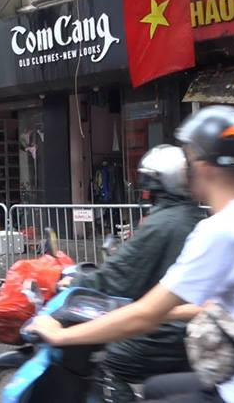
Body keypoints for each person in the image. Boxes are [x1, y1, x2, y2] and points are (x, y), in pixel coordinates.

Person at [26, 105, 234, 402]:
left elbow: (145, 316)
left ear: (202, 165)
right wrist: (161, 309)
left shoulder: (223, 228)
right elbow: (217, 304)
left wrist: (60, 335)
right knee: (158, 389)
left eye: (190, 158)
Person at [60, 144, 203, 402]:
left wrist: (76, 281)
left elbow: (118, 277)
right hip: (190, 330)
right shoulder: (192, 217)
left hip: (166, 331)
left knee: (110, 362)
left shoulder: (161, 224)